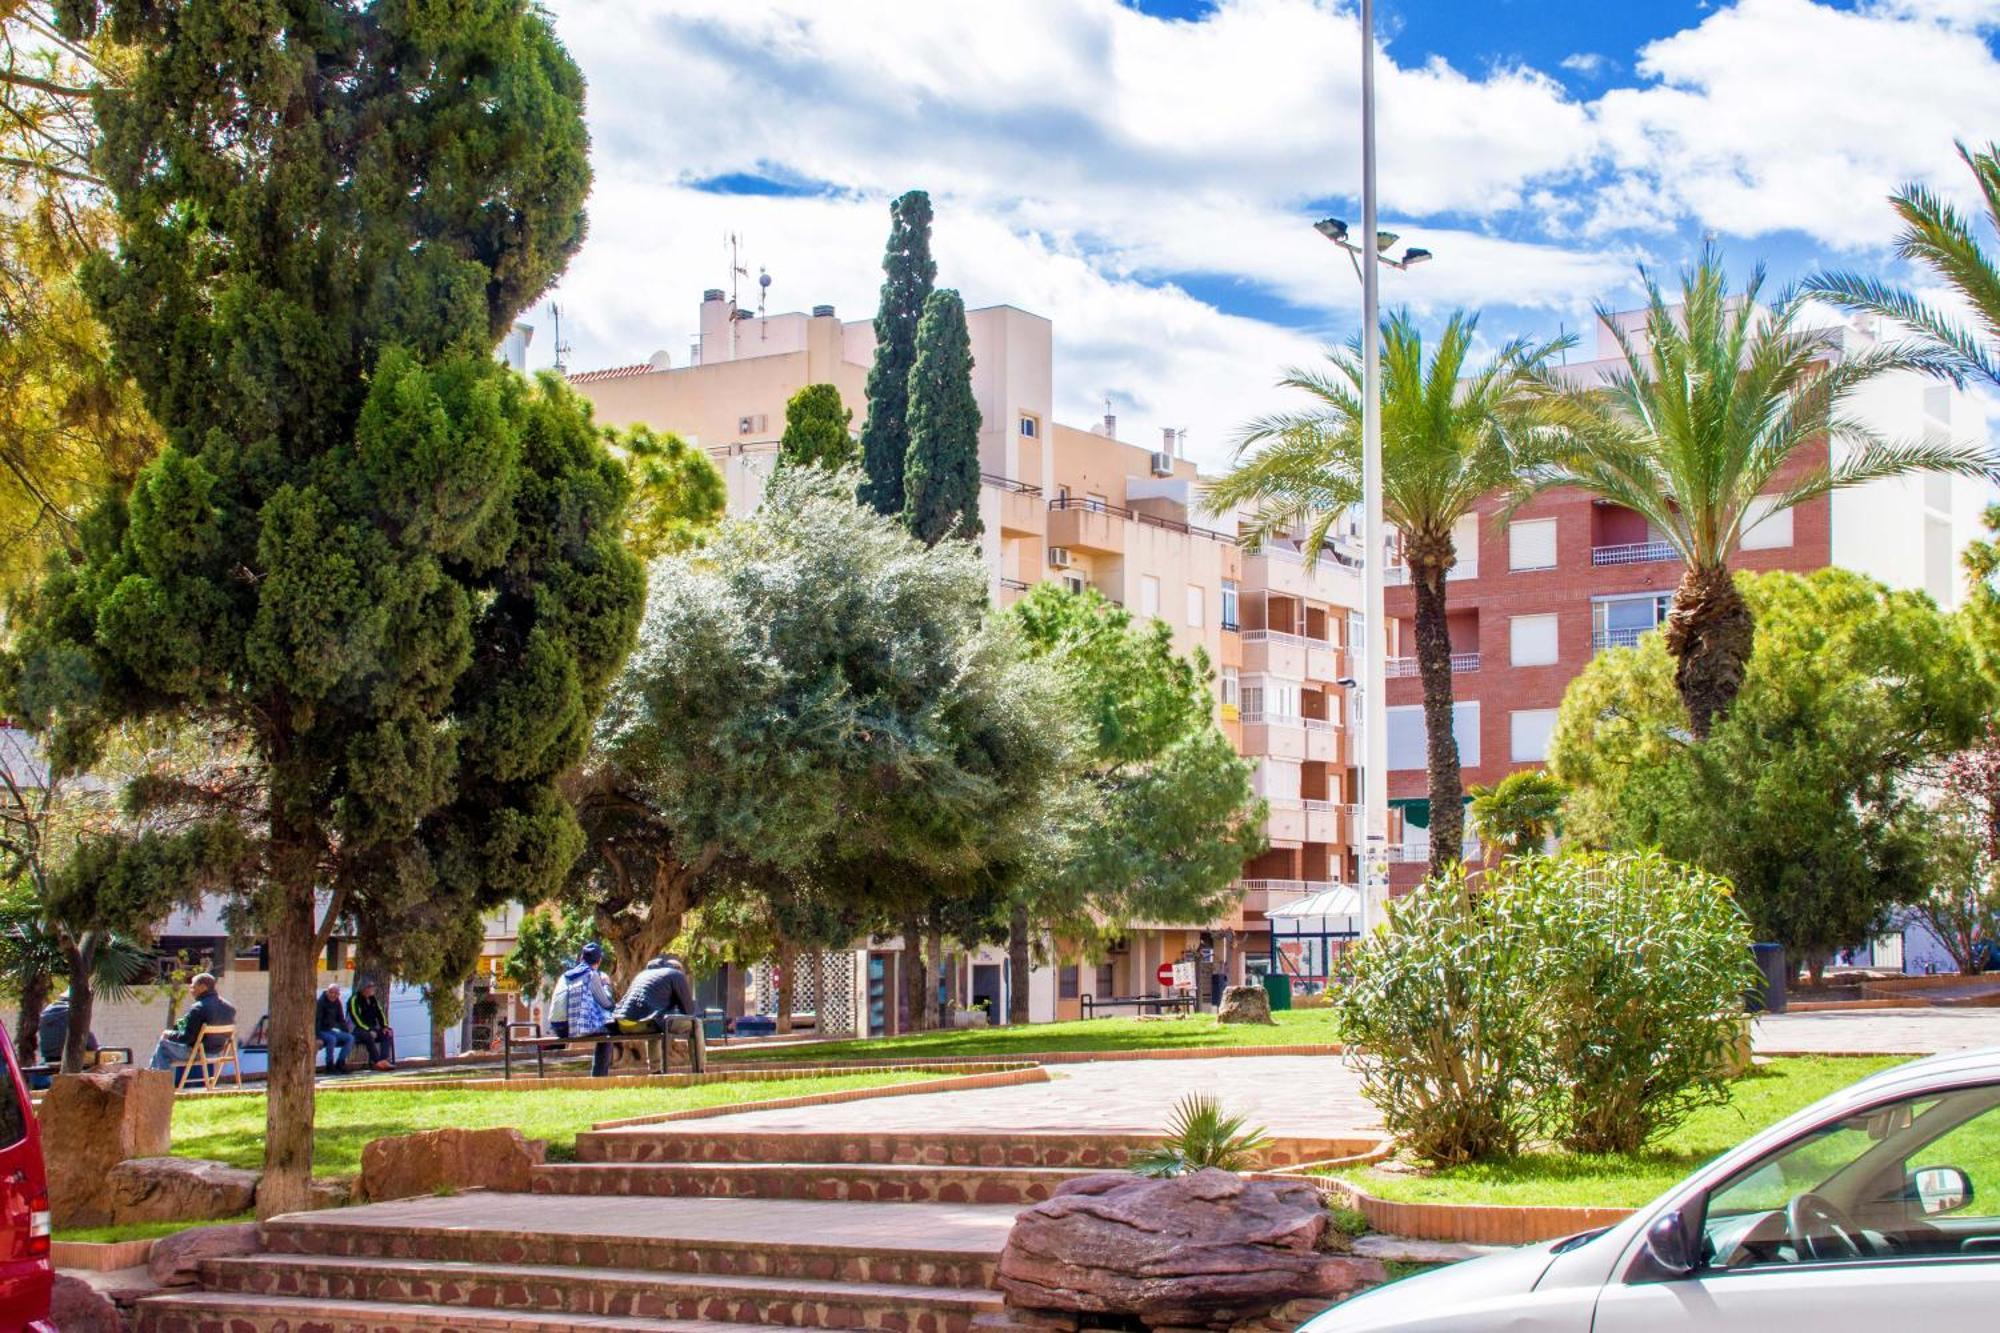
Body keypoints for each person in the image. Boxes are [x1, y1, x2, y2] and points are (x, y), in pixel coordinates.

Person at [609, 954, 704, 1073]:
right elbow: (689, 1011)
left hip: (623, 1025)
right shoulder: (675, 974)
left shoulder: (641, 975)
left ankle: (655, 1070)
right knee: (696, 1023)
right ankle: (700, 1069)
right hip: (645, 1023)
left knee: (655, 1021)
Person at [147, 973, 237, 1071]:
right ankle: (157, 1077)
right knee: (165, 1050)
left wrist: (170, 1034)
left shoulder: (199, 1007)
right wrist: (181, 1024)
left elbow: (186, 1038)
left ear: (203, 987)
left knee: (163, 1045)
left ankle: (160, 1081)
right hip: (217, 1053)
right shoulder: (229, 1008)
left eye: (193, 987)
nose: (191, 990)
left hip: (199, 1053)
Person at [550, 942, 615, 1076]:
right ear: (599, 961)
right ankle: (599, 1078)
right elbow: (606, 1003)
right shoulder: (592, 974)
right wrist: (606, 984)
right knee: (607, 1035)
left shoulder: (565, 975)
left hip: (557, 1028)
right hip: (573, 1027)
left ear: (581, 958)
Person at [345, 979, 396, 1071]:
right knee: (368, 1035)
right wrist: (368, 1029)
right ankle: (376, 1061)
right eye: (371, 987)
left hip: (371, 1027)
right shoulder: (354, 999)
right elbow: (356, 1018)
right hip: (356, 1029)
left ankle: (384, 1059)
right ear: (364, 988)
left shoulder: (373, 999)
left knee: (386, 1033)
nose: (373, 989)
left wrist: (384, 1026)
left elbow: (380, 1013)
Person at [37, 990, 97, 1068]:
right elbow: (90, 1043)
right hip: (70, 1056)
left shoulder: (46, 1011)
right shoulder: (73, 1012)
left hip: (49, 1058)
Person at [315, 983, 354, 1074]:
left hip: (330, 1030)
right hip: (320, 1030)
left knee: (350, 1038)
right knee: (332, 1039)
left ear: (338, 994)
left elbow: (341, 1019)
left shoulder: (337, 1002)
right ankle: (329, 1066)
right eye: (331, 992)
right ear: (327, 992)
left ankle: (340, 1063)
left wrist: (346, 1031)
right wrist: (317, 1037)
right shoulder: (321, 1002)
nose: (333, 995)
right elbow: (317, 1020)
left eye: (336, 993)